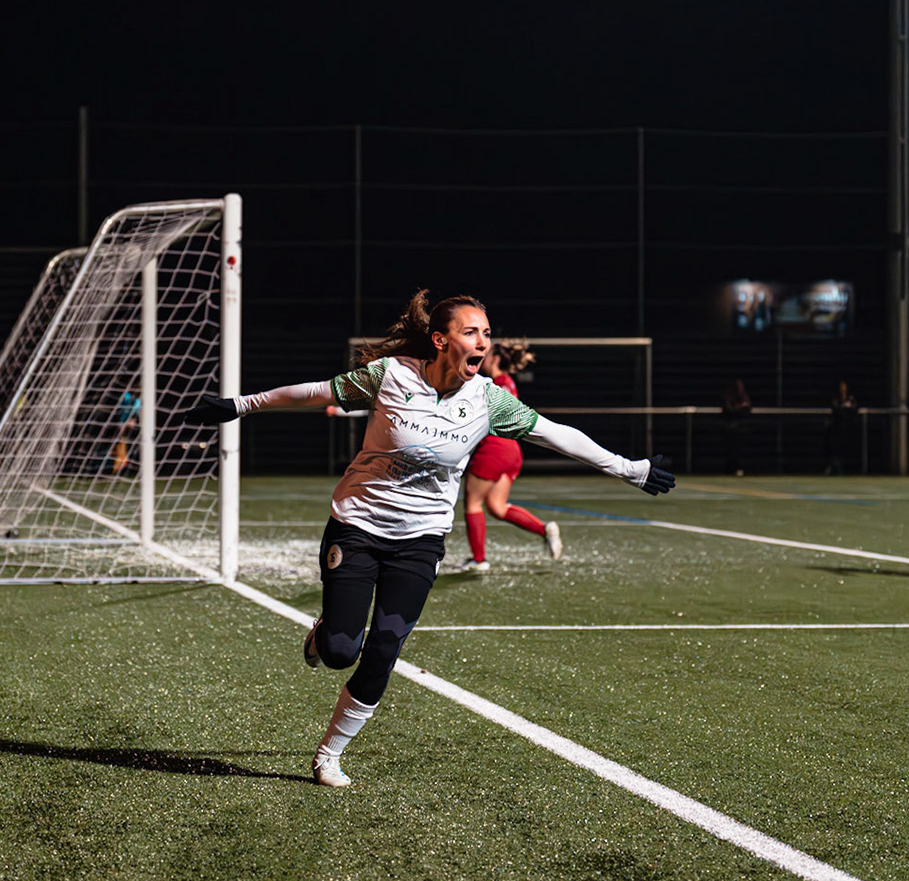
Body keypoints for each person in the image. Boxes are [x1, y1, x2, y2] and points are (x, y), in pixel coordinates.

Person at [182, 291, 674, 787]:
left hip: (420, 542)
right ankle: (324, 633)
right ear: (441, 341)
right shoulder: (390, 376)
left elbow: (556, 433)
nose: (482, 342)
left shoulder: (489, 399)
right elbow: (314, 393)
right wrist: (239, 405)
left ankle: (329, 753)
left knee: (385, 650)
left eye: (486, 332)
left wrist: (629, 469)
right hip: (357, 526)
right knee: (338, 651)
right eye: (470, 332)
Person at [454, 341, 562, 573]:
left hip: (493, 449)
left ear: (494, 359)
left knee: (473, 503)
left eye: (485, 355)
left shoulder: (495, 384)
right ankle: (545, 529)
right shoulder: (509, 384)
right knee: (497, 507)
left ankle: (479, 560)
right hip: (511, 450)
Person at [825, 381, 858, 475]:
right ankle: (834, 467)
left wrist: (845, 412)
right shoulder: (836, 399)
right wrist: (843, 411)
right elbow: (835, 409)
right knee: (834, 448)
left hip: (847, 428)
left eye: (844, 387)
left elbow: (853, 410)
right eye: (841, 387)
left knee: (846, 448)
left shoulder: (850, 398)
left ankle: (845, 467)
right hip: (837, 428)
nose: (843, 389)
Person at [720, 378, 752, 476]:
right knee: (731, 450)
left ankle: (738, 467)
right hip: (730, 427)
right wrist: (740, 407)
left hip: (740, 427)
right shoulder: (728, 397)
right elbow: (729, 409)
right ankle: (730, 469)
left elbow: (748, 406)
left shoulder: (743, 396)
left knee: (739, 450)